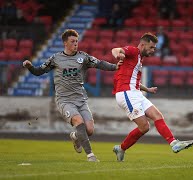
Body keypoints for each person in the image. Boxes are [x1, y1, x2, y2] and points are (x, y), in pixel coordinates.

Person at [22, 29, 122, 162]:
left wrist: (115, 67)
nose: (76, 44)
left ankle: (75, 136)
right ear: (65, 43)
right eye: (72, 41)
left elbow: (99, 63)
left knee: (90, 130)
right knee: (78, 121)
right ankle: (90, 155)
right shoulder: (55, 58)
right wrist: (29, 66)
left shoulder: (83, 57)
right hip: (64, 100)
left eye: (76, 41)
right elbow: (39, 71)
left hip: (81, 99)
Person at [111, 32, 193, 162]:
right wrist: (118, 54)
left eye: (154, 48)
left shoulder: (139, 58)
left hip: (135, 92)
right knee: (144, 127)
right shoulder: (133, 51)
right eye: (151, 47)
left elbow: (134, 81)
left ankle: (174, 143)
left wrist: (147, 89)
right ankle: (121, 148)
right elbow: (116, 49)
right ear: (143, 44)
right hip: (126, 93)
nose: (153, 50)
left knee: (157, 116)